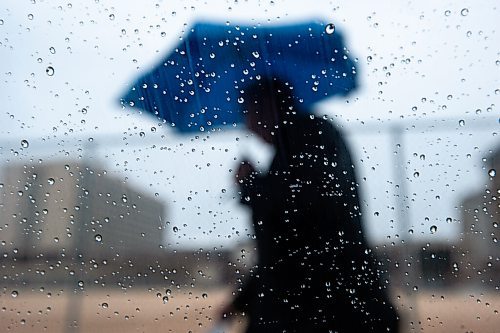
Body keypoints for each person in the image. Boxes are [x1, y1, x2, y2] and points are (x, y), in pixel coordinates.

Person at [221, 78, 399, 332]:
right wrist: (241, 302)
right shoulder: (300, 144)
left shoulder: (308, 138)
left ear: (268, 106)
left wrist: (251, 184)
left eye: (248, 113)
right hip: (328, 308)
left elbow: (297, 228)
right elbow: (280, 251)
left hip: (325, 311)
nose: (247, 126)